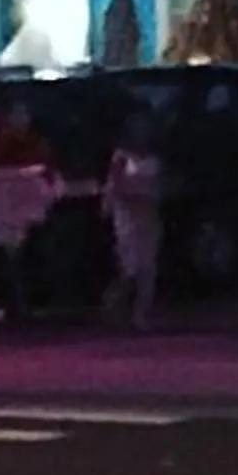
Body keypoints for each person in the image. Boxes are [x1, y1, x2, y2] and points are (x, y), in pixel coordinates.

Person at [0, 98, 62, 321]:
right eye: (16, 114)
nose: (22, 119)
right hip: (3, 210)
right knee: (8, 258)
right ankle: (13, 303)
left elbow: (49, 171)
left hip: (32, 210)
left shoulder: (37, 143)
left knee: (29, 257)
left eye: (24, 114)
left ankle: (28, 302)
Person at [102, 106, 166, 331]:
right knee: (130, 267)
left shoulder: (154, 155)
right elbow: (116, 186)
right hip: (128, 215)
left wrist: (153, 197)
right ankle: (112, 305)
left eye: (145, 126)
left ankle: (141, 315)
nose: (142, 130)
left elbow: (159, 185)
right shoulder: (122, 155)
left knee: (148, 266)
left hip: (149, 214)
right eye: (137, 126)